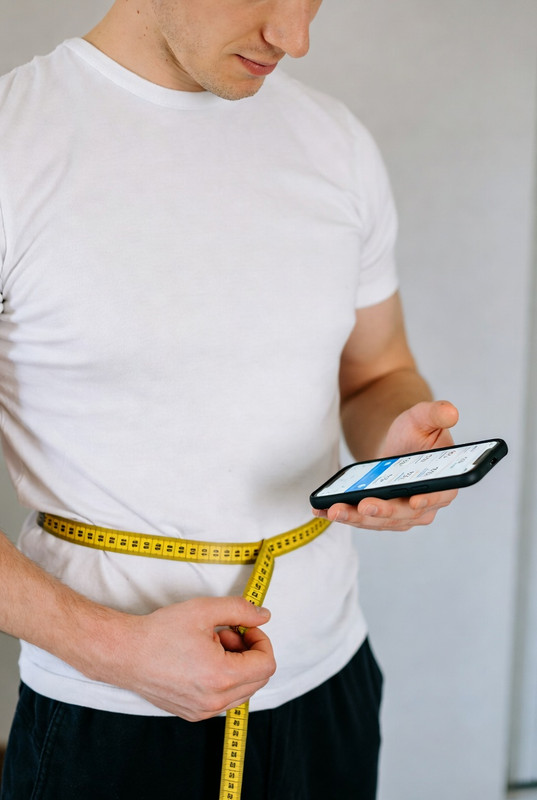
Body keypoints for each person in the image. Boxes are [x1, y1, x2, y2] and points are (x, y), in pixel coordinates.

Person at [0, 1, 460, 798]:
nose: (295, 38)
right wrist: (115, 651)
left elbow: (375, 369)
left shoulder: (334, 141)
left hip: (330, 678)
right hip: (113, 706)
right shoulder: (16, 142)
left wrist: (398, 442)